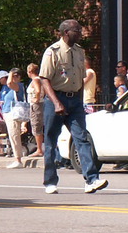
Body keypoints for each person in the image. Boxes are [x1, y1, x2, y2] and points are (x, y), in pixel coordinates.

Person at [40, 19, 108, 195]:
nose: (80, 33)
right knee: (50, 142)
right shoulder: (52, 52)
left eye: (80, 30)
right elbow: (44, 79)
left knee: (82, 138)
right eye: (76, 30)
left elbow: (79, 79)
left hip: (75, 101)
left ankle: (91, 179)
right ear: (65, 33)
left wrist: (78, 101)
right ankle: (50, 181)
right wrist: (56, 103)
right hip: (55, 100)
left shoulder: (79, 52)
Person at [0, 68, 27, 168]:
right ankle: (17, 158)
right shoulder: (9, 89)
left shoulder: (18, 86)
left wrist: (10, 73)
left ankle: (18, 160)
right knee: (13, 136)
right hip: (8, 113)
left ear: (19, 77)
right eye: (12, 76)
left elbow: (9, 83)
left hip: (13, 114)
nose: (12, 78)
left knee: (14, 136)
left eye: (15, 76)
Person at [26, 63, 45, 158]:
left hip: (36, 105)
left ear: (30, 71)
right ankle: (39, 148)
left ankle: (39, 149)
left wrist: (36, 99)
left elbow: (37, 90)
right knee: (38, 126)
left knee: (36, 125)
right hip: (39, 104)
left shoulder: (35, 80)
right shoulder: (40, 79)